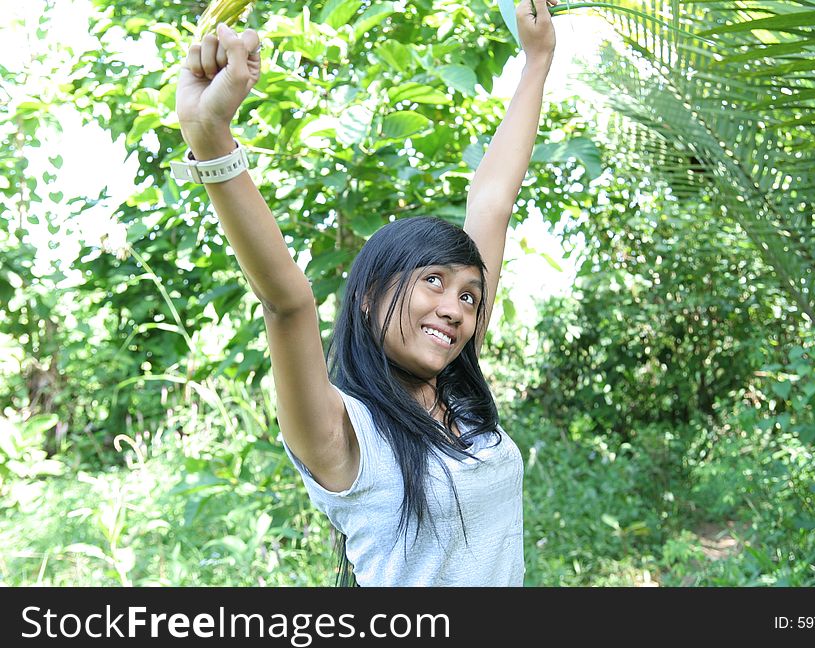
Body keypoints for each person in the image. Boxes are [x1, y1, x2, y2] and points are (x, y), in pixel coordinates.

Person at [174, 0, 558, 586]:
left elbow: (492, 202)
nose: (455, 309)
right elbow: (287, 302)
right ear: (368, 295)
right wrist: (209, 136)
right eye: (433, 281)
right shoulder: (343, 433)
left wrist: (537, 58)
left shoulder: (456, 392)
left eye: (470, 297)